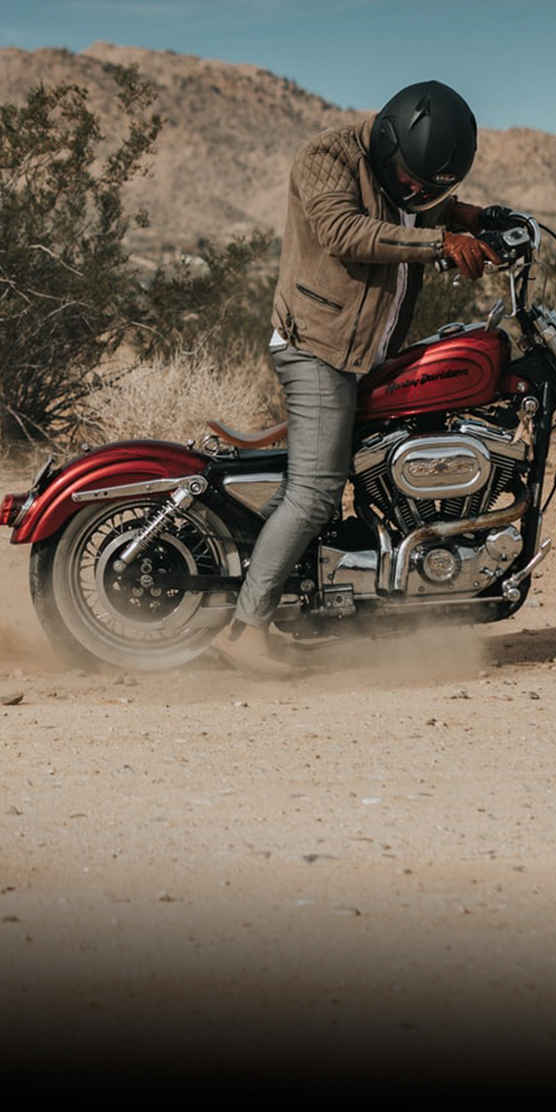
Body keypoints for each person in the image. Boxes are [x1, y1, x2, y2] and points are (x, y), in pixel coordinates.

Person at [219, 80, 499, 671]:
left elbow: (415, 205)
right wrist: (442, 244)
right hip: (318, 348)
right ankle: (246, 632)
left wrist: (474, 216)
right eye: (412, 181)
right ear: (390, 138)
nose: (417, 191)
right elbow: (345, 230)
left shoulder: (407, 178)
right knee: (317, 492)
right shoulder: (327, 159)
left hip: (366, 352)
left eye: (432, 188)